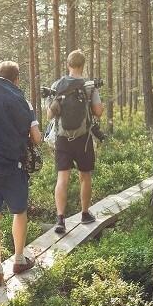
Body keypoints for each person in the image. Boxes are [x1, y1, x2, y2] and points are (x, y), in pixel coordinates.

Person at [0, 61, 42, 285]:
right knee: (19, 212)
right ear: (16, 81)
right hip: (13, 167)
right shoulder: (21, 102)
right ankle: (18, 259)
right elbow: (35, 138)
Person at [48, 49, 104, 233]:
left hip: (62, 139)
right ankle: (85, 214)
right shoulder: (89, 86)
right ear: (83, 65)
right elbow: (98, 111)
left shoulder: (57, 85)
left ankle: (60, 220)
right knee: (84, 176)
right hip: (84, 138)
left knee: (62, 178)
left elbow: (49, 114)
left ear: (68, 64)